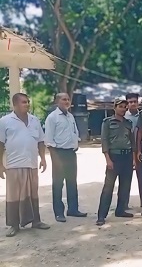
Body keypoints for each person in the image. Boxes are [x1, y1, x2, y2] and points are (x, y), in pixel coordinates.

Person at [0, 93, 50, 237]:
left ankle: (36, 221)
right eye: (23, 102)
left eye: (28, 102)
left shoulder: (35, 120)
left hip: (32, 164)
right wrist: (0, 166)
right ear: (14, 104)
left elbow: (41, 141)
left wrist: (43, 159)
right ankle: (14, 225)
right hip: (14, 165)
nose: (27, 104)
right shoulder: (5, 121)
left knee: (33, 194)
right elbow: (0, 144)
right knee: (14, 196)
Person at [44, 93, 86, 222]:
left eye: (68, 99)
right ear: (57, 101)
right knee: (58, 184)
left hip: (70, 153)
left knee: (72, 182)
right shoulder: (52, 118)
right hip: (58, 153)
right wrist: (55, 158)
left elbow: (74, 132)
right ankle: (59, 213)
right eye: (64, 99)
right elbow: (49, 140)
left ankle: (73, 209)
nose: (67, 101)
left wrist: (75, 144)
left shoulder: (70, 116)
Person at [96, 98, 135, 226]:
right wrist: (108, 159)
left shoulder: (128, 123)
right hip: (114, 157)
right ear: (115, 108)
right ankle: (101, 216)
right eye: (121, 106)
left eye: (125, 107)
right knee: (108, 188)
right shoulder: (107, 122)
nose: (123, 109)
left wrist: (134, 158)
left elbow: (132, 141)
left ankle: (120, 210)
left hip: (127, 157)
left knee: (125, 186)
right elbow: (104, 141)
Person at [124, 92, 142, 209]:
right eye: (130, 102)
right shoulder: (123, 117)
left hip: (140, 149)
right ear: (127, 103)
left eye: (135, 101)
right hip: (127, 150)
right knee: (126, 177)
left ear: (138, 103)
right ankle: (124, 203)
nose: (133, 104)